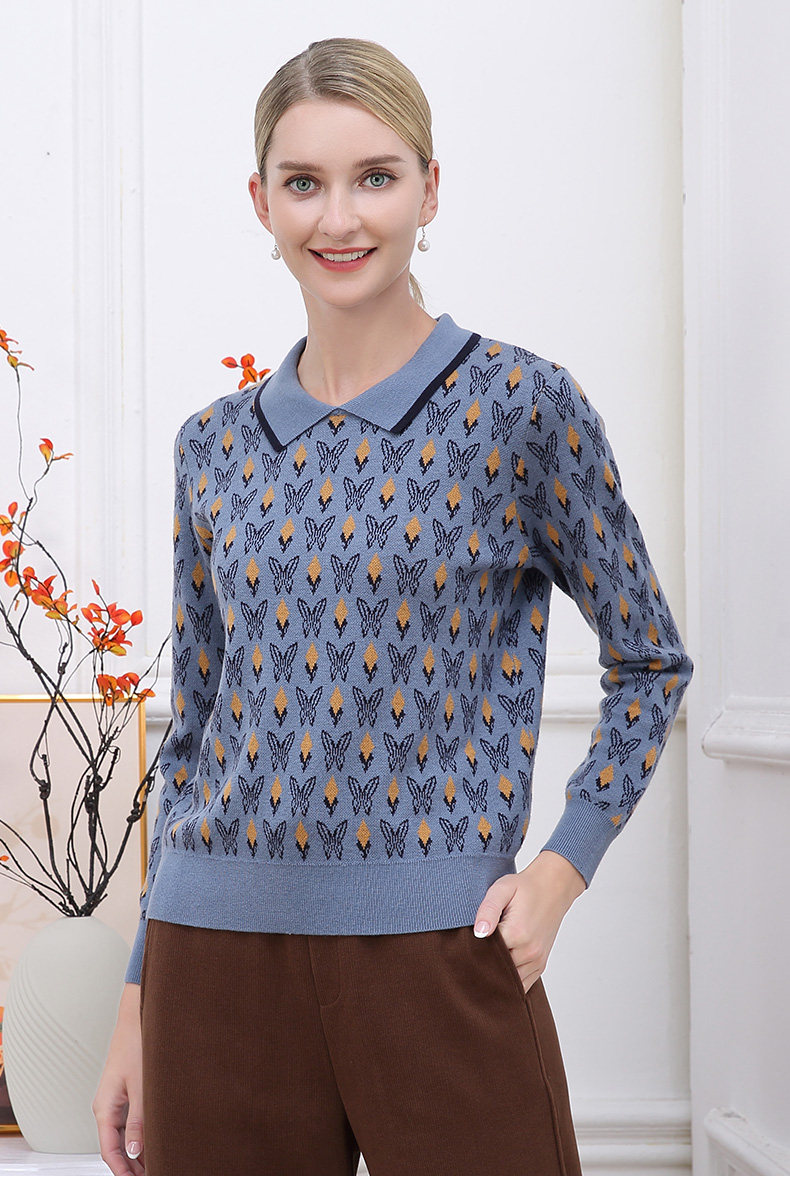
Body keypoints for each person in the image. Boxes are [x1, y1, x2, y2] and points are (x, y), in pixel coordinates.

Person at [92, 36, 694, 1176]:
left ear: (429, 188)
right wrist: (137, 994)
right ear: (260, 201)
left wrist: (560, 871)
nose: (339, 217)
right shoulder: (212, 446)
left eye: (374, 176)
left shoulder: (522, 406)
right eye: (303, 182)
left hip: (443, 948)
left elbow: (650, 662)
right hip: (212, 962)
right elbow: (198, 722)